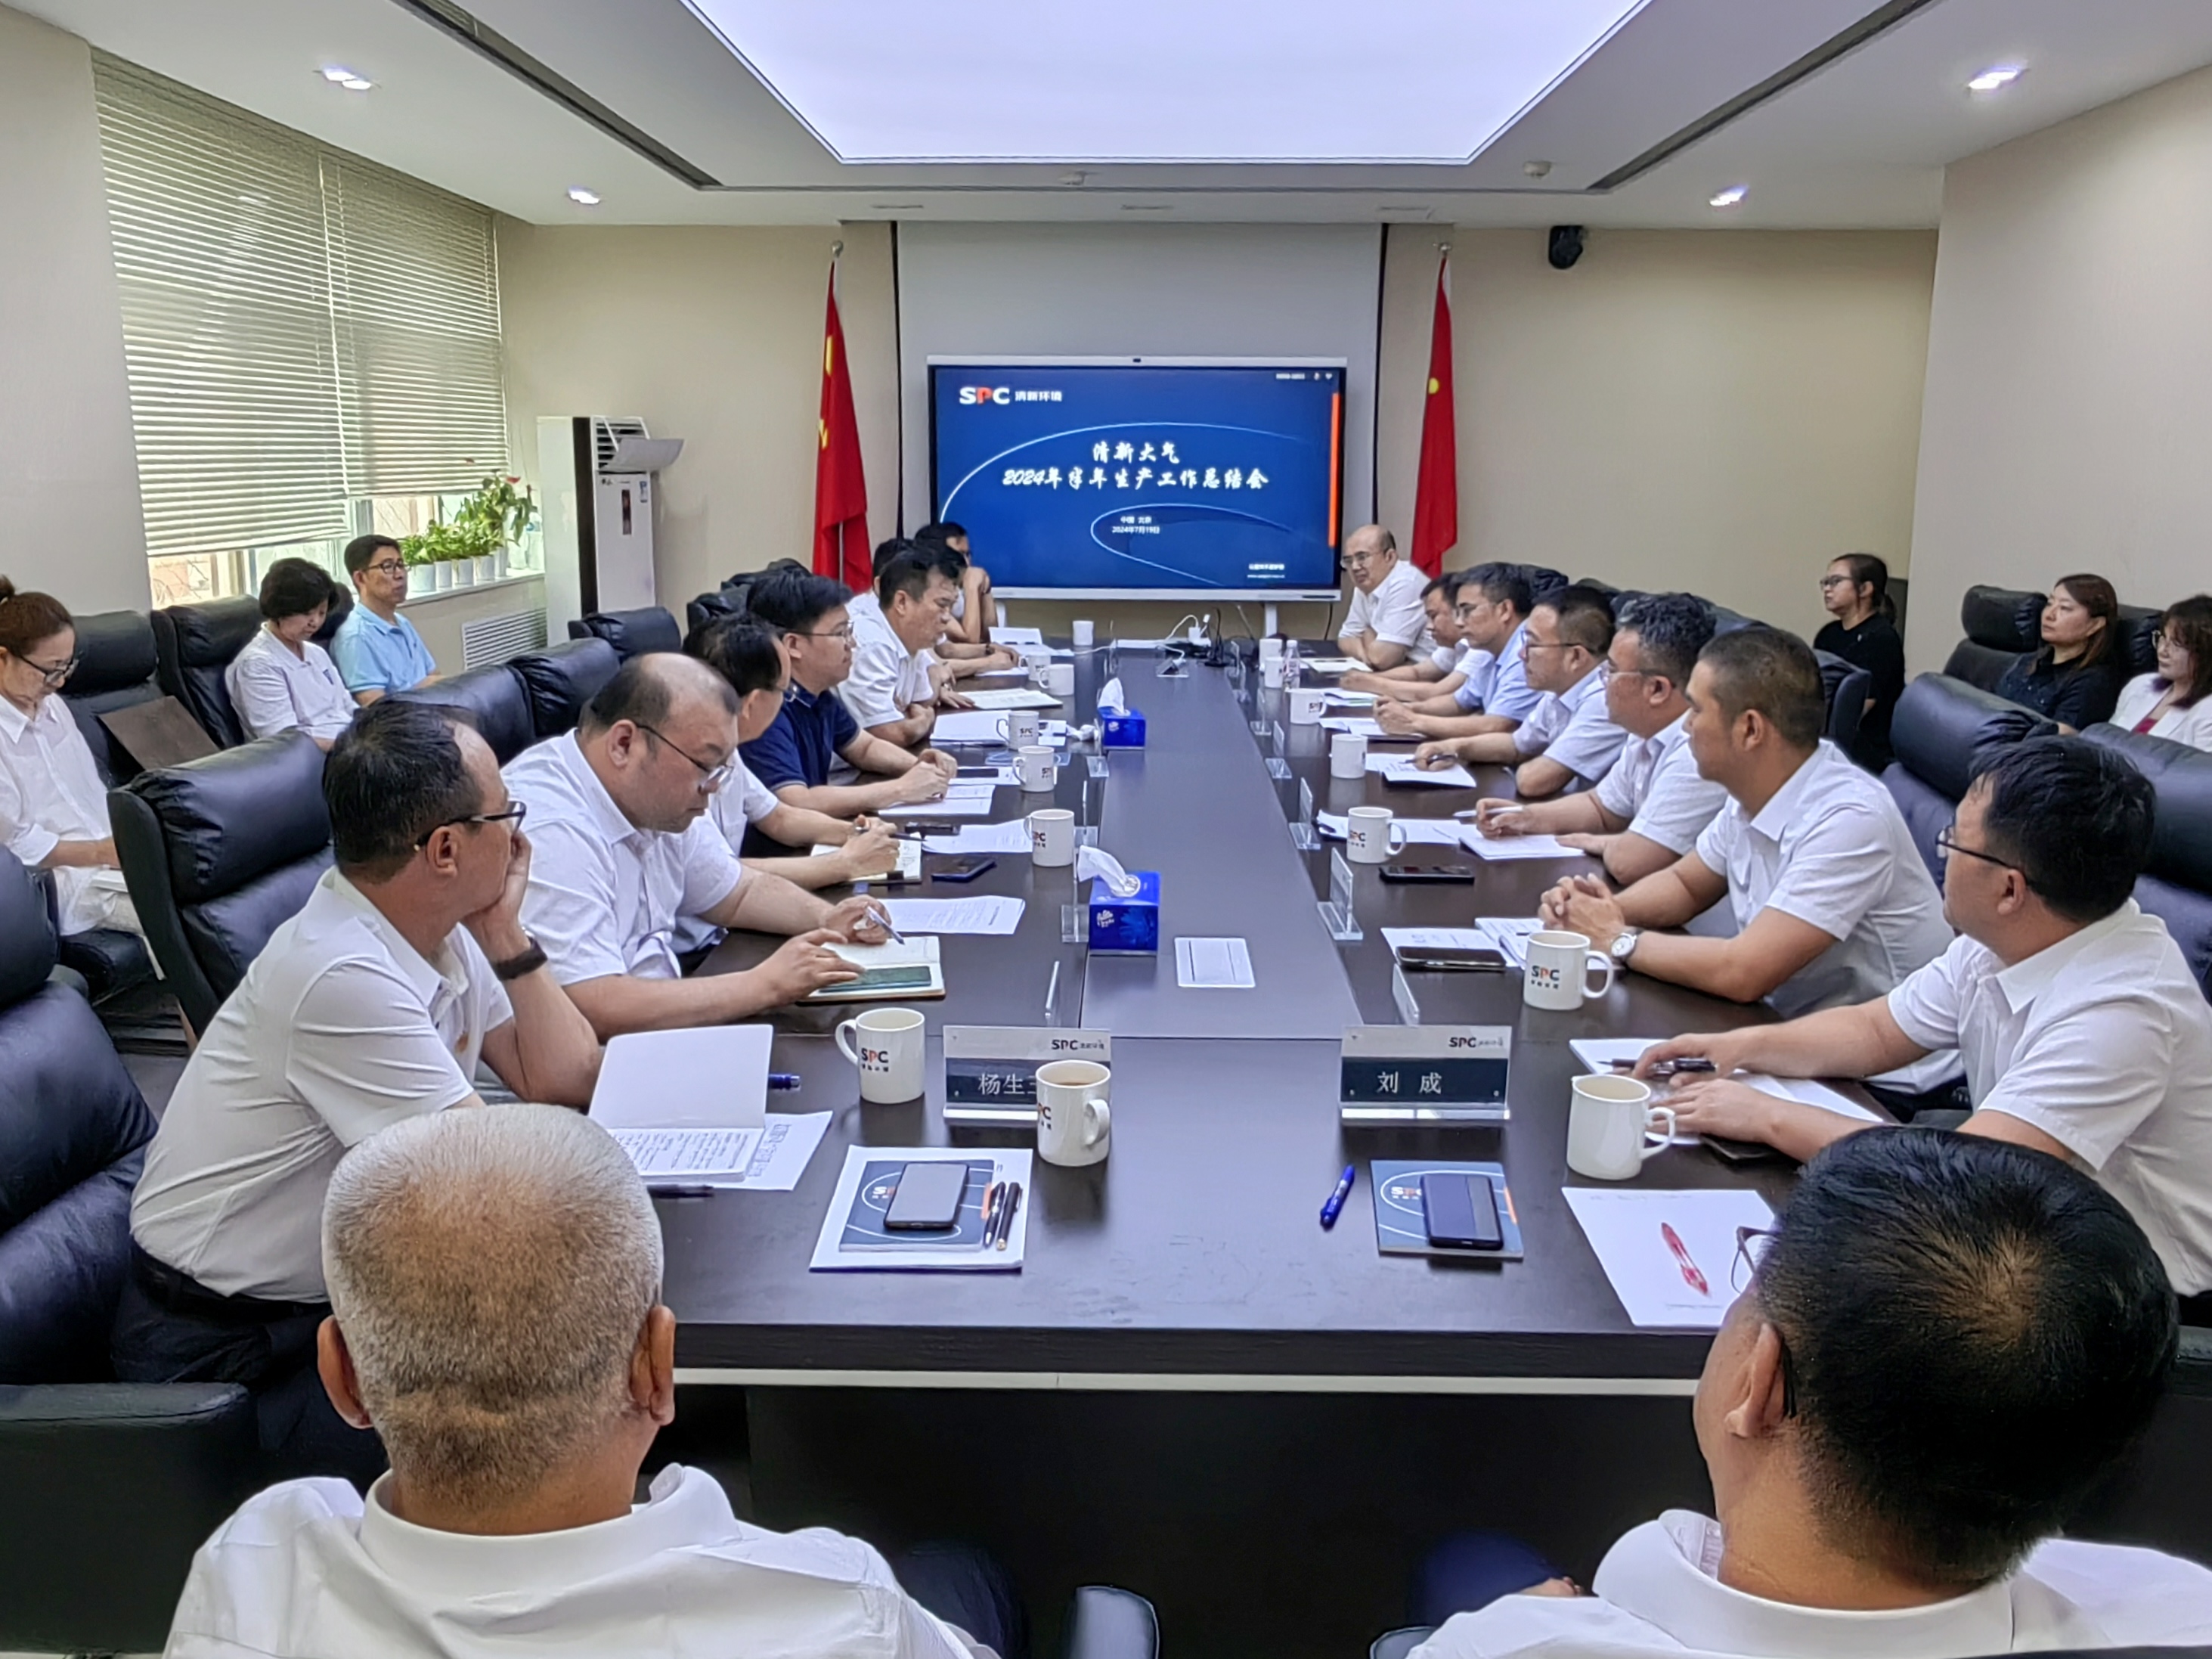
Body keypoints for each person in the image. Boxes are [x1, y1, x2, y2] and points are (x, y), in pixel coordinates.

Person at [164, 1103, 1022, 1659]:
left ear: (342, 1376)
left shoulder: (247, 1585)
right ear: (657, 1367)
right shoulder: (841, 1610)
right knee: (963, 1573)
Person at [1406, 1131, 2212, 1659]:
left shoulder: (1506, 1646)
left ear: (1760, 1381)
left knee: (1468, 1562)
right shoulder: (2179, 1607)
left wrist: (1534, 1619)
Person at [116, 701, 603, 1482]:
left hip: (330, 1314)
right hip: (227, 1358)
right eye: (505, 816)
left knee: (579, 1384)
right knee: (540, 1429)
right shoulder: (341, 973)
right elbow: (482, 1185)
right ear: (446, 848)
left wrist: (506, 934)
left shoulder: (433, 928)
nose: (519, 839)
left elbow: (565, 1076)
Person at [1634, 737, 2212, 1298]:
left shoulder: (2125, 1011)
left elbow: (1963, 1177)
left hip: (2135, 1292)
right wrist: (1739, 1048)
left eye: (1953, 841)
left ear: (2009, 890)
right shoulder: (2009, 937)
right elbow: (1875, 1032)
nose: (1942, 855)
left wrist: (1766, 1117)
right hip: (2029, 1225)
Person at [1541, 625, 1952, 1025]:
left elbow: (1743, 972)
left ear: (1750, 729)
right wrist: (1598, 911)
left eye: (1696, 710)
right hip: (1785, 1028)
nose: (1686, 726)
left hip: (1876, 1065)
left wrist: (1617, 937)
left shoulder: (1849, 819)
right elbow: (1685, 886)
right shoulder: (1752, 793)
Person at [504, 653, 882, 1037]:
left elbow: (738, 892)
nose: (714, 787)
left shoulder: (658, 798)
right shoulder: (550, 827)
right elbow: (591, 1004)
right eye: (705, 765)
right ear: (624, 744)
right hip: (600, 1054)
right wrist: (764, 985)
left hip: (660, 1021)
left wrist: (827, 920)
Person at [1471, 594, 1727, 885]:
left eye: (1611, 671)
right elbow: (1600, 807)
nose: (1600, 681)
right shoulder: (1644, 733)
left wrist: (1599, 842)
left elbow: (1631, 863)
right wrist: (1525, 818)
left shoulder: (1696, 751)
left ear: (1657, 689)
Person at [688, 615, 902, 879]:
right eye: (785, 689)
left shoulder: (729, 752)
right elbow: (717, 873)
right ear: (753, 703)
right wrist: (845, 864)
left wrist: (857, 833)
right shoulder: (682, 774)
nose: (787, 699)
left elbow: (780, 818)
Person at [740, 566, 959, 819]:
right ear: (793, 645)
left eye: (849, 631)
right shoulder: (766, 708)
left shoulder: (818, 693)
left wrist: (920, 766)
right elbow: (796, 801)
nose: (852, 644)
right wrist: (900, 789)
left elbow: (864, 747)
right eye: (840, 633)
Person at [0, 578, 143, 939]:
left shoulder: (54, 708)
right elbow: (16, 844)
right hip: (66, 880)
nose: (60, 682)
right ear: (2, 658)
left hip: (114, 859)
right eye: (50, 670)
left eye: (67, 667)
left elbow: (90, 794)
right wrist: (100, 853)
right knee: (172, 917)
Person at [1413, 587, 1626, 799]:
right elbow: (1517, 745)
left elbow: (1533, 782)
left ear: (1576, 657)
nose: (1522, 654)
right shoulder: (1560, 690)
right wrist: (1455, 747)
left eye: (1533, 645)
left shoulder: (1605, 699)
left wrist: (1529, 762)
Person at [1377, 565, 1543, 740]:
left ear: (1504, 610)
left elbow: (1498, 725)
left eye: (1468, 611)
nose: (1459, 622)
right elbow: (1458, 702)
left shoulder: (1527, 652)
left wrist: (1414, 721)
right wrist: (1406, 709)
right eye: (1458, 613)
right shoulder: (1491, 649)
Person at [225, 557, 357, 748]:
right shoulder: (257, 665)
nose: (315, 622)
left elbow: (348, 707)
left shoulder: (316, 653)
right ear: (279, 609)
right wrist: (353, 748)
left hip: (350, 745)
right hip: (314, 757)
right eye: (307, 613)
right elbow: (286, 742)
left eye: (322, 613)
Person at [846, 539, 964, 747]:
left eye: (950, 607)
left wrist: (915, 716)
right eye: (941, 605)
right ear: (902, 602)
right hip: (845, 767)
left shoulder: (908, 634)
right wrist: (925, 720)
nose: (947, 618)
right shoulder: (871, 642)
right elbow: (891, 735)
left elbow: (923, 701)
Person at [1994, 573, 2127, 732]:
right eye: (2050, 604)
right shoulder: (2028, 661)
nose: (2049, 615)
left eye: (2065, 608)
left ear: (2095, 625)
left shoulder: (2092, 682)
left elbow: (2058, 738)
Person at [1811, 551, 1904, 771]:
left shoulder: (1881, 639)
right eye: (1825, 582)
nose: (1827, 589)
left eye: (1836, 581)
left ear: (1865, 589)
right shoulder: (1828, 634)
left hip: (1862, 748)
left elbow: (1857, 709)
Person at [330, 534, 438, 705]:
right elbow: (377, 707)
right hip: (406, 719)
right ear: (360, 578)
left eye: (401, 565)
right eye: (388, 567)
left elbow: (434, 676)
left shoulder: (402, 622)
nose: (400, 574)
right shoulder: (356, 637)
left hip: (433, 710)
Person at [1342, 574, 1469, 701]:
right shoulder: (1453, 646)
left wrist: (1370, 683)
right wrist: (1365, 677)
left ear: (1458, 612)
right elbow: (1417, 672)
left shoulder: (1477, 648)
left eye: (1433, 616)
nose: (1429, 627)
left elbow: (1436, 692)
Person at [2112, 594, 2212, 751]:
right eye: (2163, 638)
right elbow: (2105, 743)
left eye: (2177, 644)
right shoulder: (2141, 685)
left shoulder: (2208, 710)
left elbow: (2200, 767)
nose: (2162, 651)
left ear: (2206, 652)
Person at [1337, 525, 1430, 669]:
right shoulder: (1364, 587)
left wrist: (1367, 633)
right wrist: (1366, 656)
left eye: (1362, 557)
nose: (1355, 567)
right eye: (1349, 560)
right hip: (1398, 671)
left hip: (1432, 675)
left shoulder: (1406, 584)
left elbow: (1383, 659)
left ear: (1390, 557)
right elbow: (1345, 639)